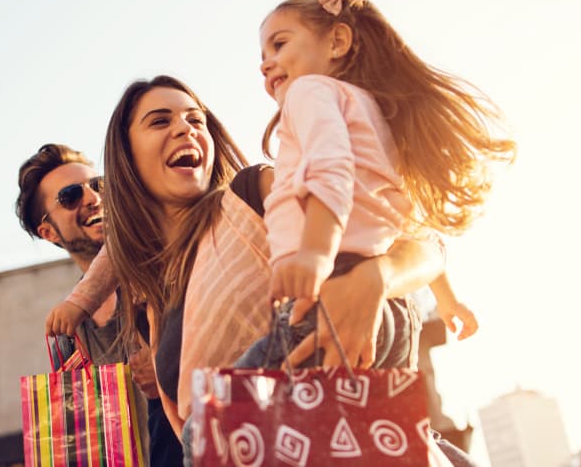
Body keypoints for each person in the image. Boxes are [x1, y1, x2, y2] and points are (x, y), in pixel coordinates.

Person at [44, 76, 480, 465]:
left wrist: (378, 277)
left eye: (196, 120)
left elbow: (421, 239)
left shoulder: (251, 195)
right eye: (160, 121)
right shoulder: (154, 300)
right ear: (127, 159)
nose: (185, 128)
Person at [240, 0, 515, 370]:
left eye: (279, 44)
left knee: (213, 422)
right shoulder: (378, 119)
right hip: (396, 320)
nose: (265, 62)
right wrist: (446, 299)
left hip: (330, 294)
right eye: (263, 53)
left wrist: (317, 254)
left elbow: (328, 170)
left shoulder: (309, 92)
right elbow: (411, 225)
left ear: (337, 42)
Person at [16, 143, 183, 467]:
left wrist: (166, 361)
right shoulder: (69, 333)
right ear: (48, 231)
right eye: (70, 196)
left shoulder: (165, 268)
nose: (93, 198)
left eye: (98, 185)